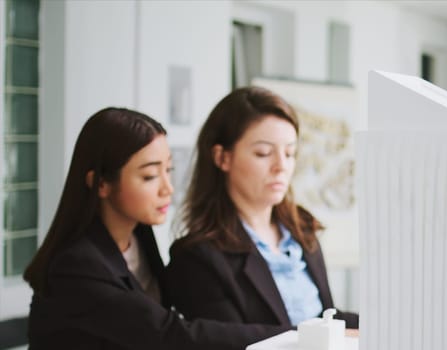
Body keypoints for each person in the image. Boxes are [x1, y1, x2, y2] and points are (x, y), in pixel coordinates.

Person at [23, 107, 290, 350]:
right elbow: (167, 334)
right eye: (149, 176)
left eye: (169, 171)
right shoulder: (76, 265)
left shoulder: (138, 235)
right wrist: (290, 337)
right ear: (101, 183)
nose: (167, 189)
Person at [164, 87, 359, 336]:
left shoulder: (302, 229)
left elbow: (325, 316)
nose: (281, 166)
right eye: (263, 153)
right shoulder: (197, 257)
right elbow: (233, 344)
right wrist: (331, 336)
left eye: (289, 153)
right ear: (222, 157)